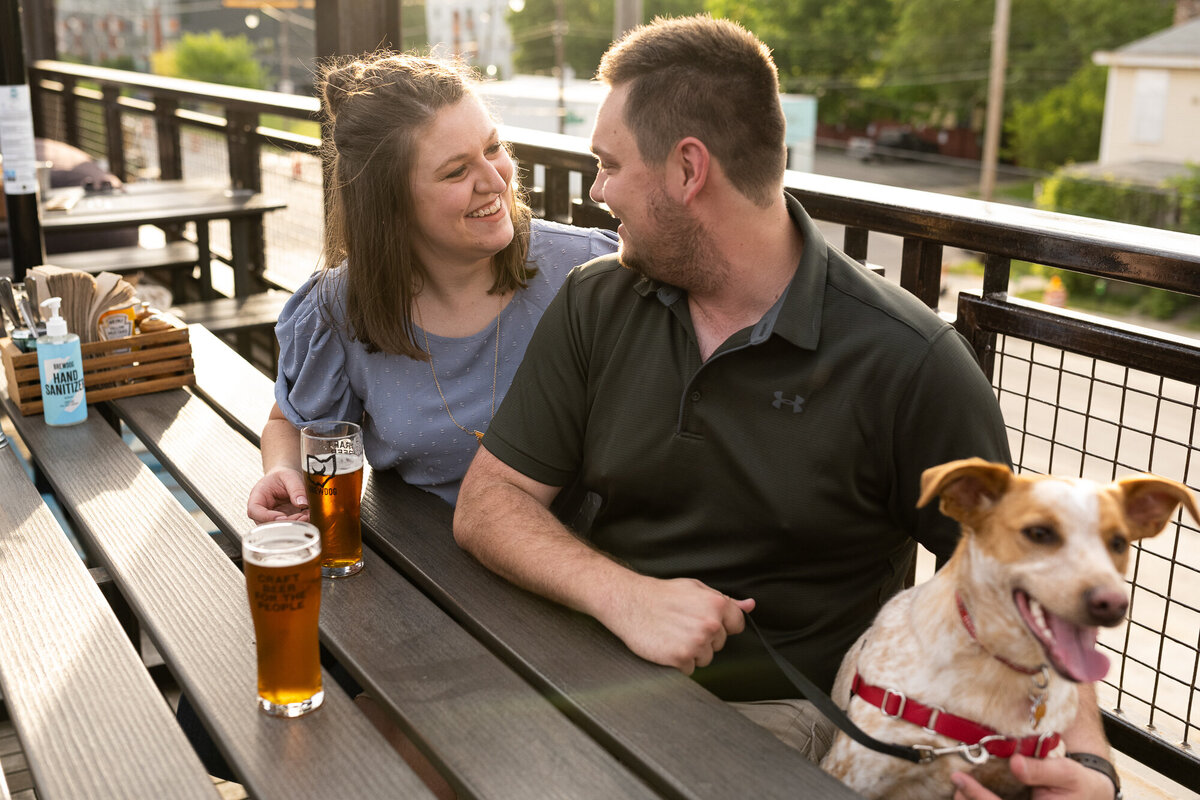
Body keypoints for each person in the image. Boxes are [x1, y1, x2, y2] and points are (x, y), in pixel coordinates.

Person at [452, 15, 1116, 799]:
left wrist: (1093, 768)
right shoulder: (598, 299)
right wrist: (623, 596)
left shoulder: (910, 360)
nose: (598, 191)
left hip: (772, 718)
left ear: (688, 169)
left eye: (610, 164)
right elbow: (488, 504)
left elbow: (1028, 570)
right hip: (586, 664)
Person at [246, 51, 617, 522]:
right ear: (390, 203)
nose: (494, 180)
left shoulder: (588, 269)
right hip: (421, 570)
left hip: (572, 562)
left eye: (493, 147)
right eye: (456, 171)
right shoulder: (338, 307)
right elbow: (292, 425)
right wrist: (282, 471)